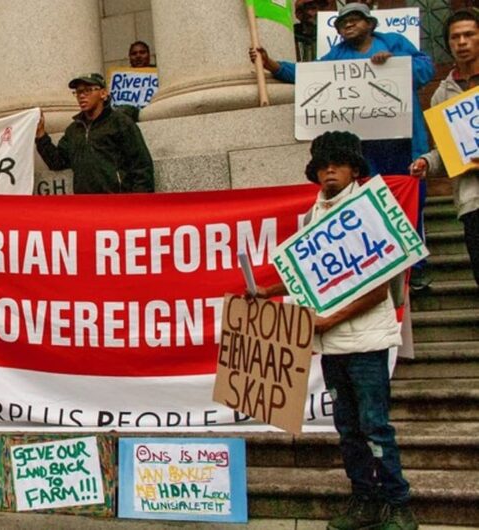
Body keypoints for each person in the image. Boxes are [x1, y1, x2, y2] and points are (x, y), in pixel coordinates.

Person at [251, 131, 416, 530]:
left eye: (338, 163)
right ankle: (364, 500)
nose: (329, 169)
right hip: (333, 343)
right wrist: (267, 291)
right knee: (347, 430)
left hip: (367, 341)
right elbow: (308, 277)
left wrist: (327, 321)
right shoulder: (313, 216)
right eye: (323, 163)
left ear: (354, 169)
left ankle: (398, 505)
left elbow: (377, 290)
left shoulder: (369, 211)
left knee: (375, 425)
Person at [250, 2, 435, 289]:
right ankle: (382, 266)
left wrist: (397, 65)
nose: (347, 25)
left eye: (355, 19)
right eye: (342, 22)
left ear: (370, 24)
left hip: (403, 142)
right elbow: (309, 76)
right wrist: (273, 65)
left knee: (411, 200)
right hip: (367, 148)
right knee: (371, 206)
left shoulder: (394, 43)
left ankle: (416, 267)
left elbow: (425, 69)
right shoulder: (337, 56)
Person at [411, 8, 479, 288]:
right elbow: (447, 151)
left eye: (469, 35)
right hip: (472, 201)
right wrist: (427, 162)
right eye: (455, 37)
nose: (461, 42)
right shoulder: (442, 94)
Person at [35, 73, 155, 194]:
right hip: (87, 206)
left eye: (88, 90)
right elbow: (57, 162)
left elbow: (141, 166)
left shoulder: (120, 123)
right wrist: (41, 136)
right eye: (78, 92)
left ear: (103, 94)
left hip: (118, 203)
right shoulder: (74, 130)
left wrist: (138, 203)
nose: (81, 96)